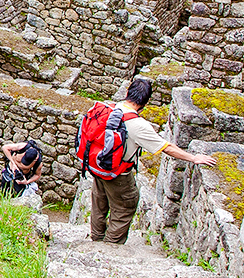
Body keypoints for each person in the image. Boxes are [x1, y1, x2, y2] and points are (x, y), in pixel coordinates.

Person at [81, 78, 216, 245]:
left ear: (128, 93)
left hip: (98, 166)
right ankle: (110, 246)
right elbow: (166, 147)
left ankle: (96, 238)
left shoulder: (109, 110)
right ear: (145, 101)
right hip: (119, 174)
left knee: (99, 203)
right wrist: (194, 158)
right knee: (125, 206)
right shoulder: (138, 125)